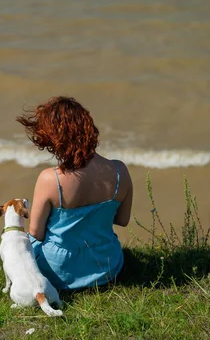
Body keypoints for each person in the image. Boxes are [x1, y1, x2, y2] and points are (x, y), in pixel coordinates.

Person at [16, 96, 133, 291]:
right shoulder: (120, 171)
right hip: (107, 266)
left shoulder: (50, 178)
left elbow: (37, 232)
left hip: (58, 270)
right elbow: (122, 220)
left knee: (24, 243)